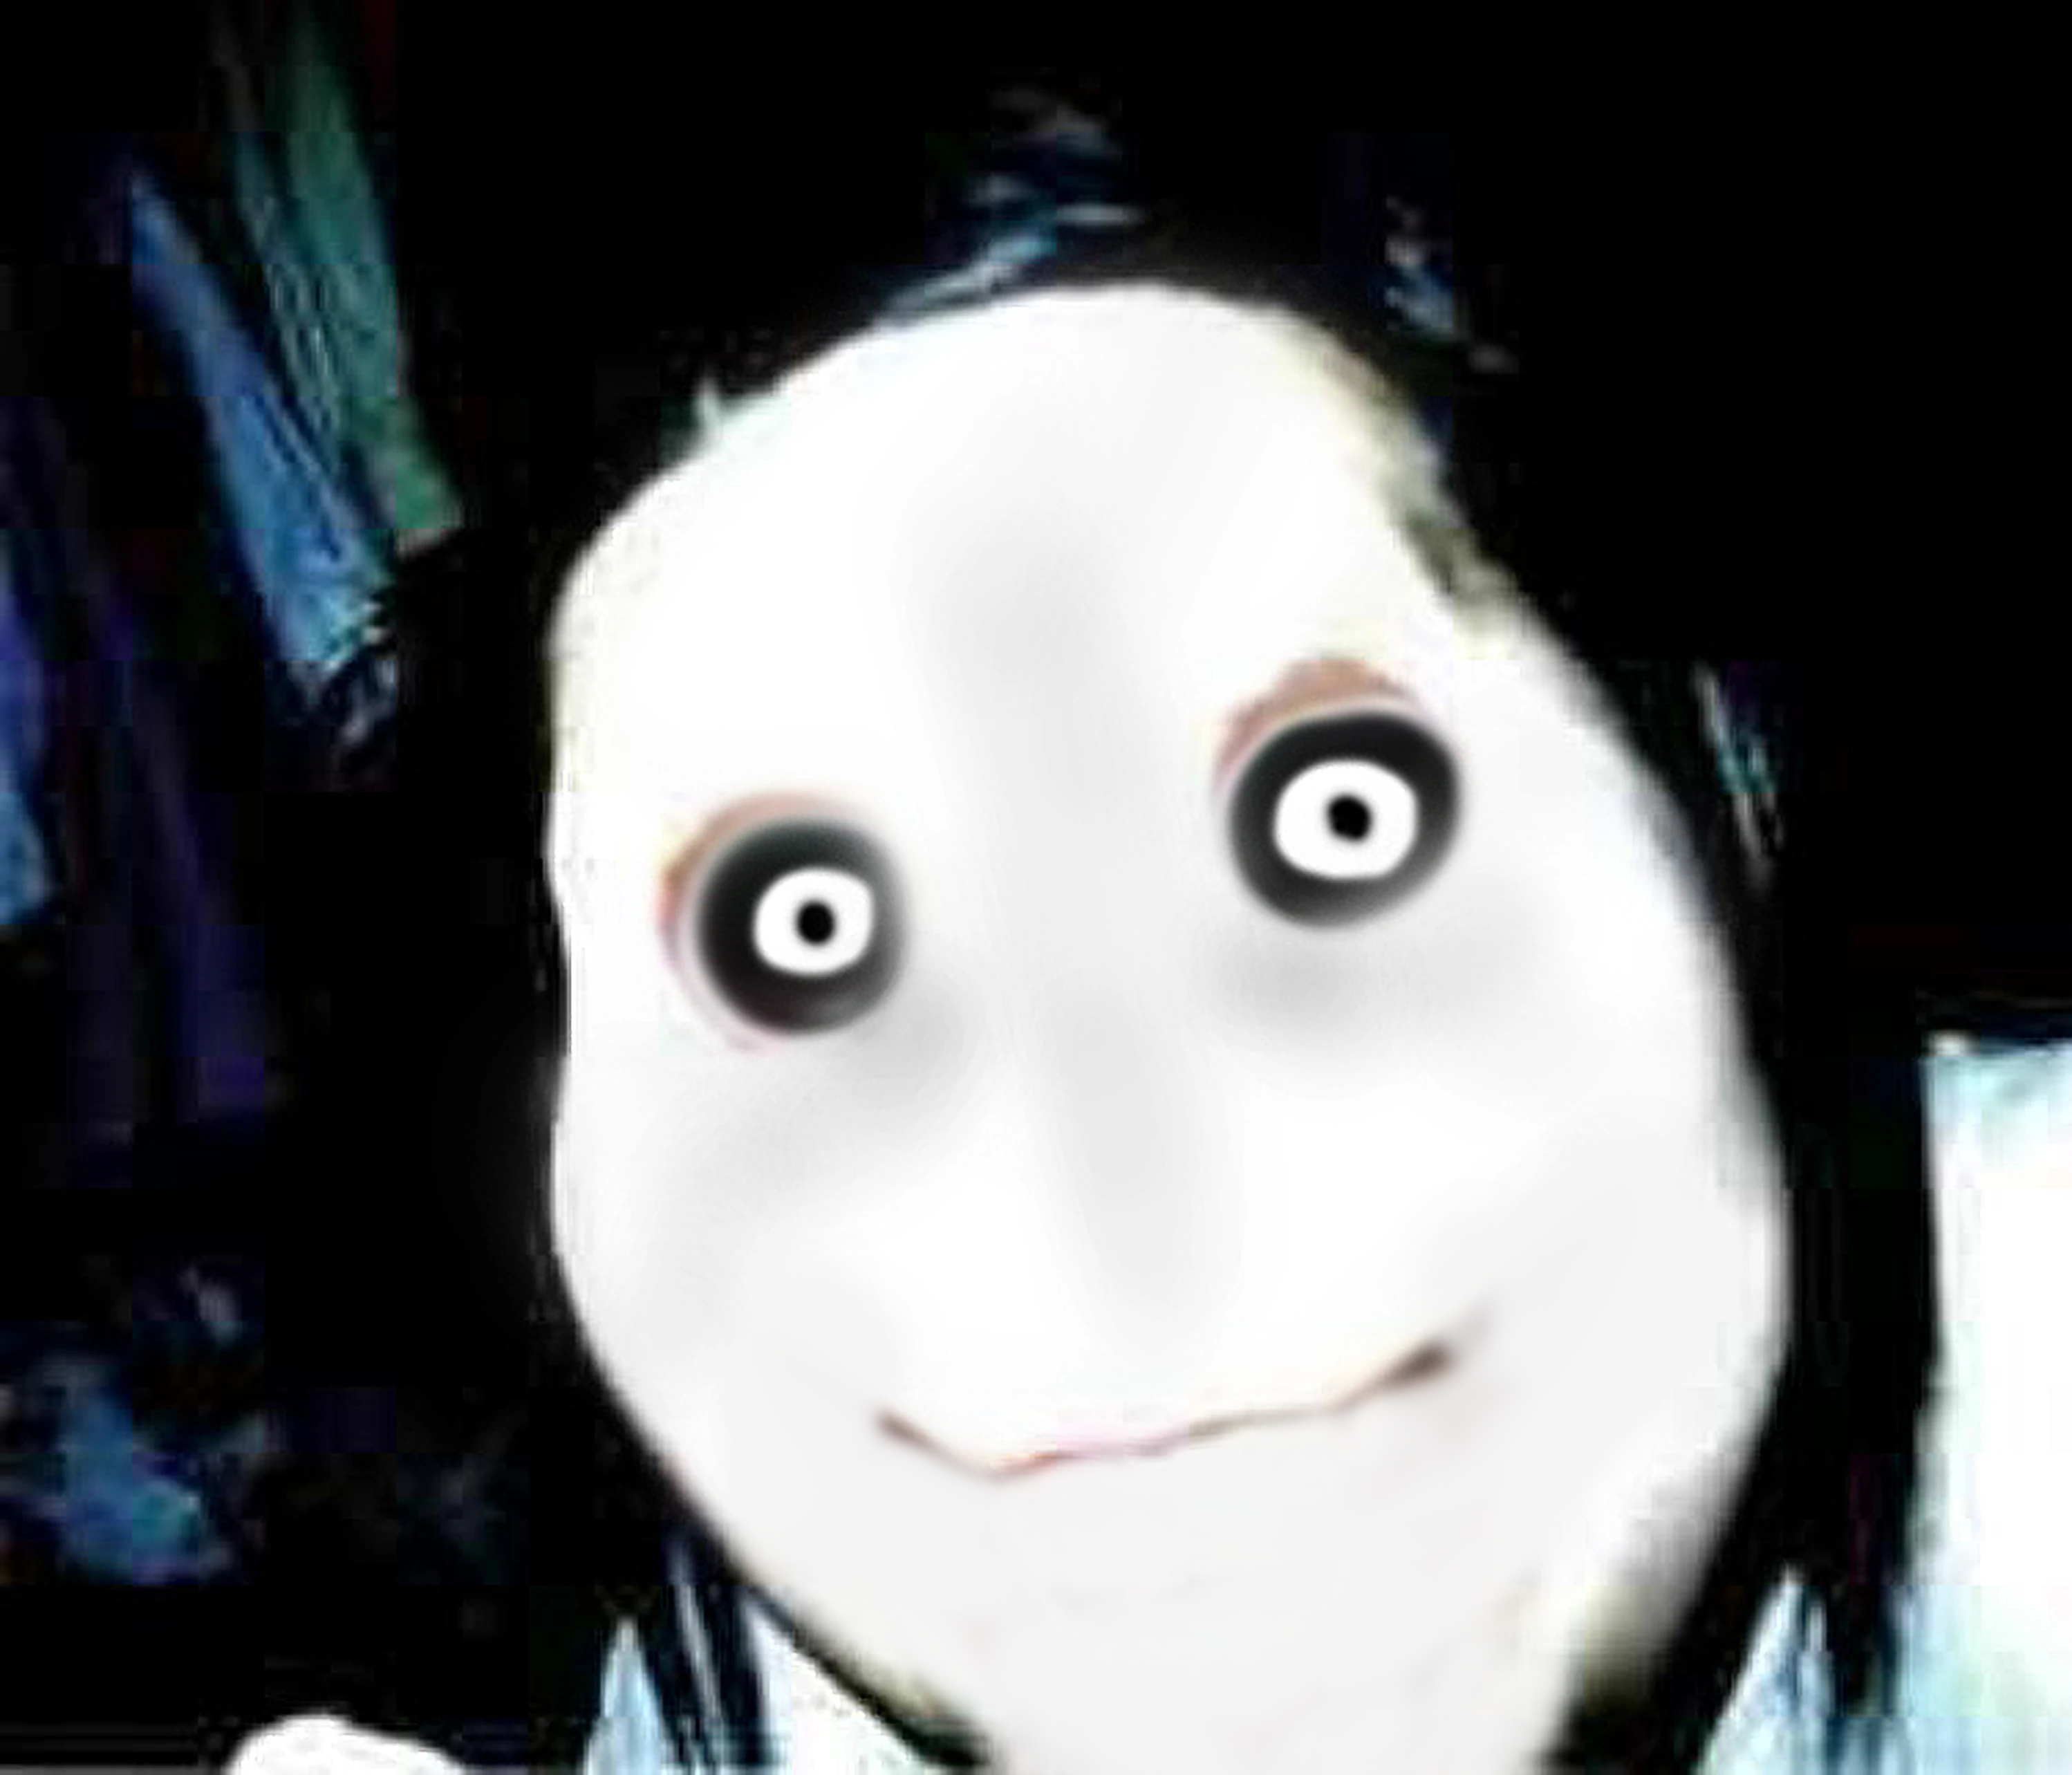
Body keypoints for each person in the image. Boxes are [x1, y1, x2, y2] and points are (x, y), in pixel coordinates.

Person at [234, 102, 2064, 1771]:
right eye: (799, 935)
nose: (1108, 1198)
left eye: (1339, 817)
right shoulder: (752, 1683)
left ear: (1720, 788)